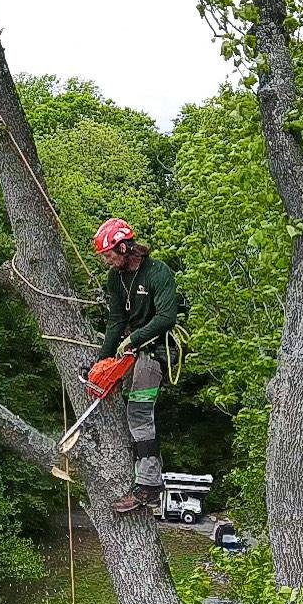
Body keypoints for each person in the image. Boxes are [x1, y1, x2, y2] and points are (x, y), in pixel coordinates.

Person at [92, 217, 178, 513]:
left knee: (139, 412)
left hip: (158, 349)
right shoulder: (115, 280)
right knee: (129, 408)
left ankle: (149, 487)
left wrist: (135, 339)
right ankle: (144, 473)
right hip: (133, 349)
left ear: (125, 247)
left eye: (109, 255)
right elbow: (116, 321)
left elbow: (167, 317)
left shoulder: (158, 272)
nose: (107, 261)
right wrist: (102, 362)